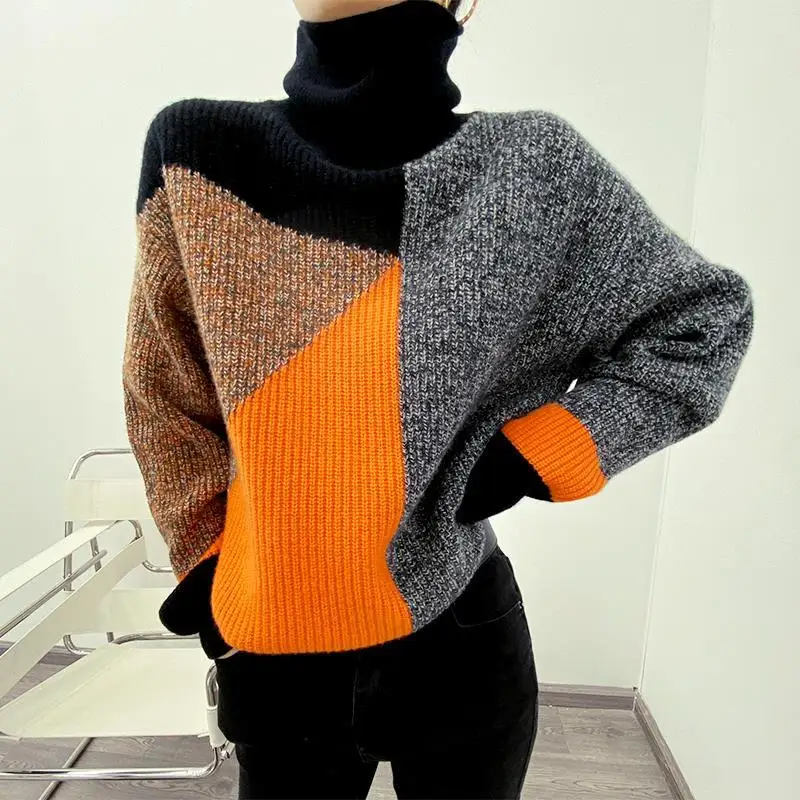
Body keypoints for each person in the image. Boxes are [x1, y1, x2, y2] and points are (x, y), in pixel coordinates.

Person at [121, 0, 754, 797]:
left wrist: (539, 450)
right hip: (274, 638)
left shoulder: (536, 167)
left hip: (458, 627)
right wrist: (206, 559)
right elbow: (162, 391)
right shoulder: (198, 152)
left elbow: (703, 321)